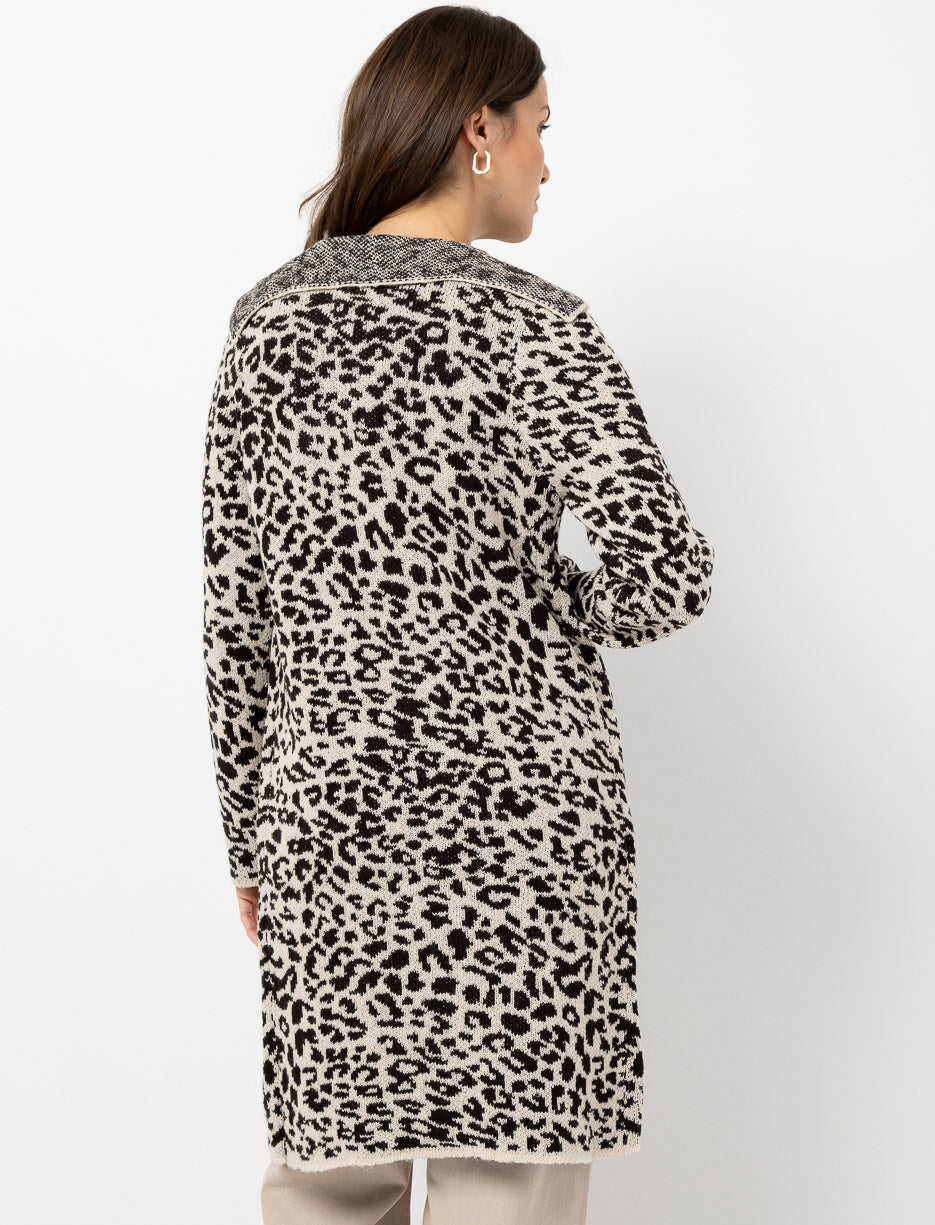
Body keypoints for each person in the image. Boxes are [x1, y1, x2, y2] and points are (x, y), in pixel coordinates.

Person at [201, 7, 715, 1223]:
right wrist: (532, 600)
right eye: (540, 126)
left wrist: (250, 846)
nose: (547, 159)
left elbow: (237, 617)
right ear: (478, 130)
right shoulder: (536, 323)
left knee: (327, 1188)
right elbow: (664, 572)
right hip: (523, 838)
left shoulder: (267, 323)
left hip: (331, 824)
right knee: (508, 1181)